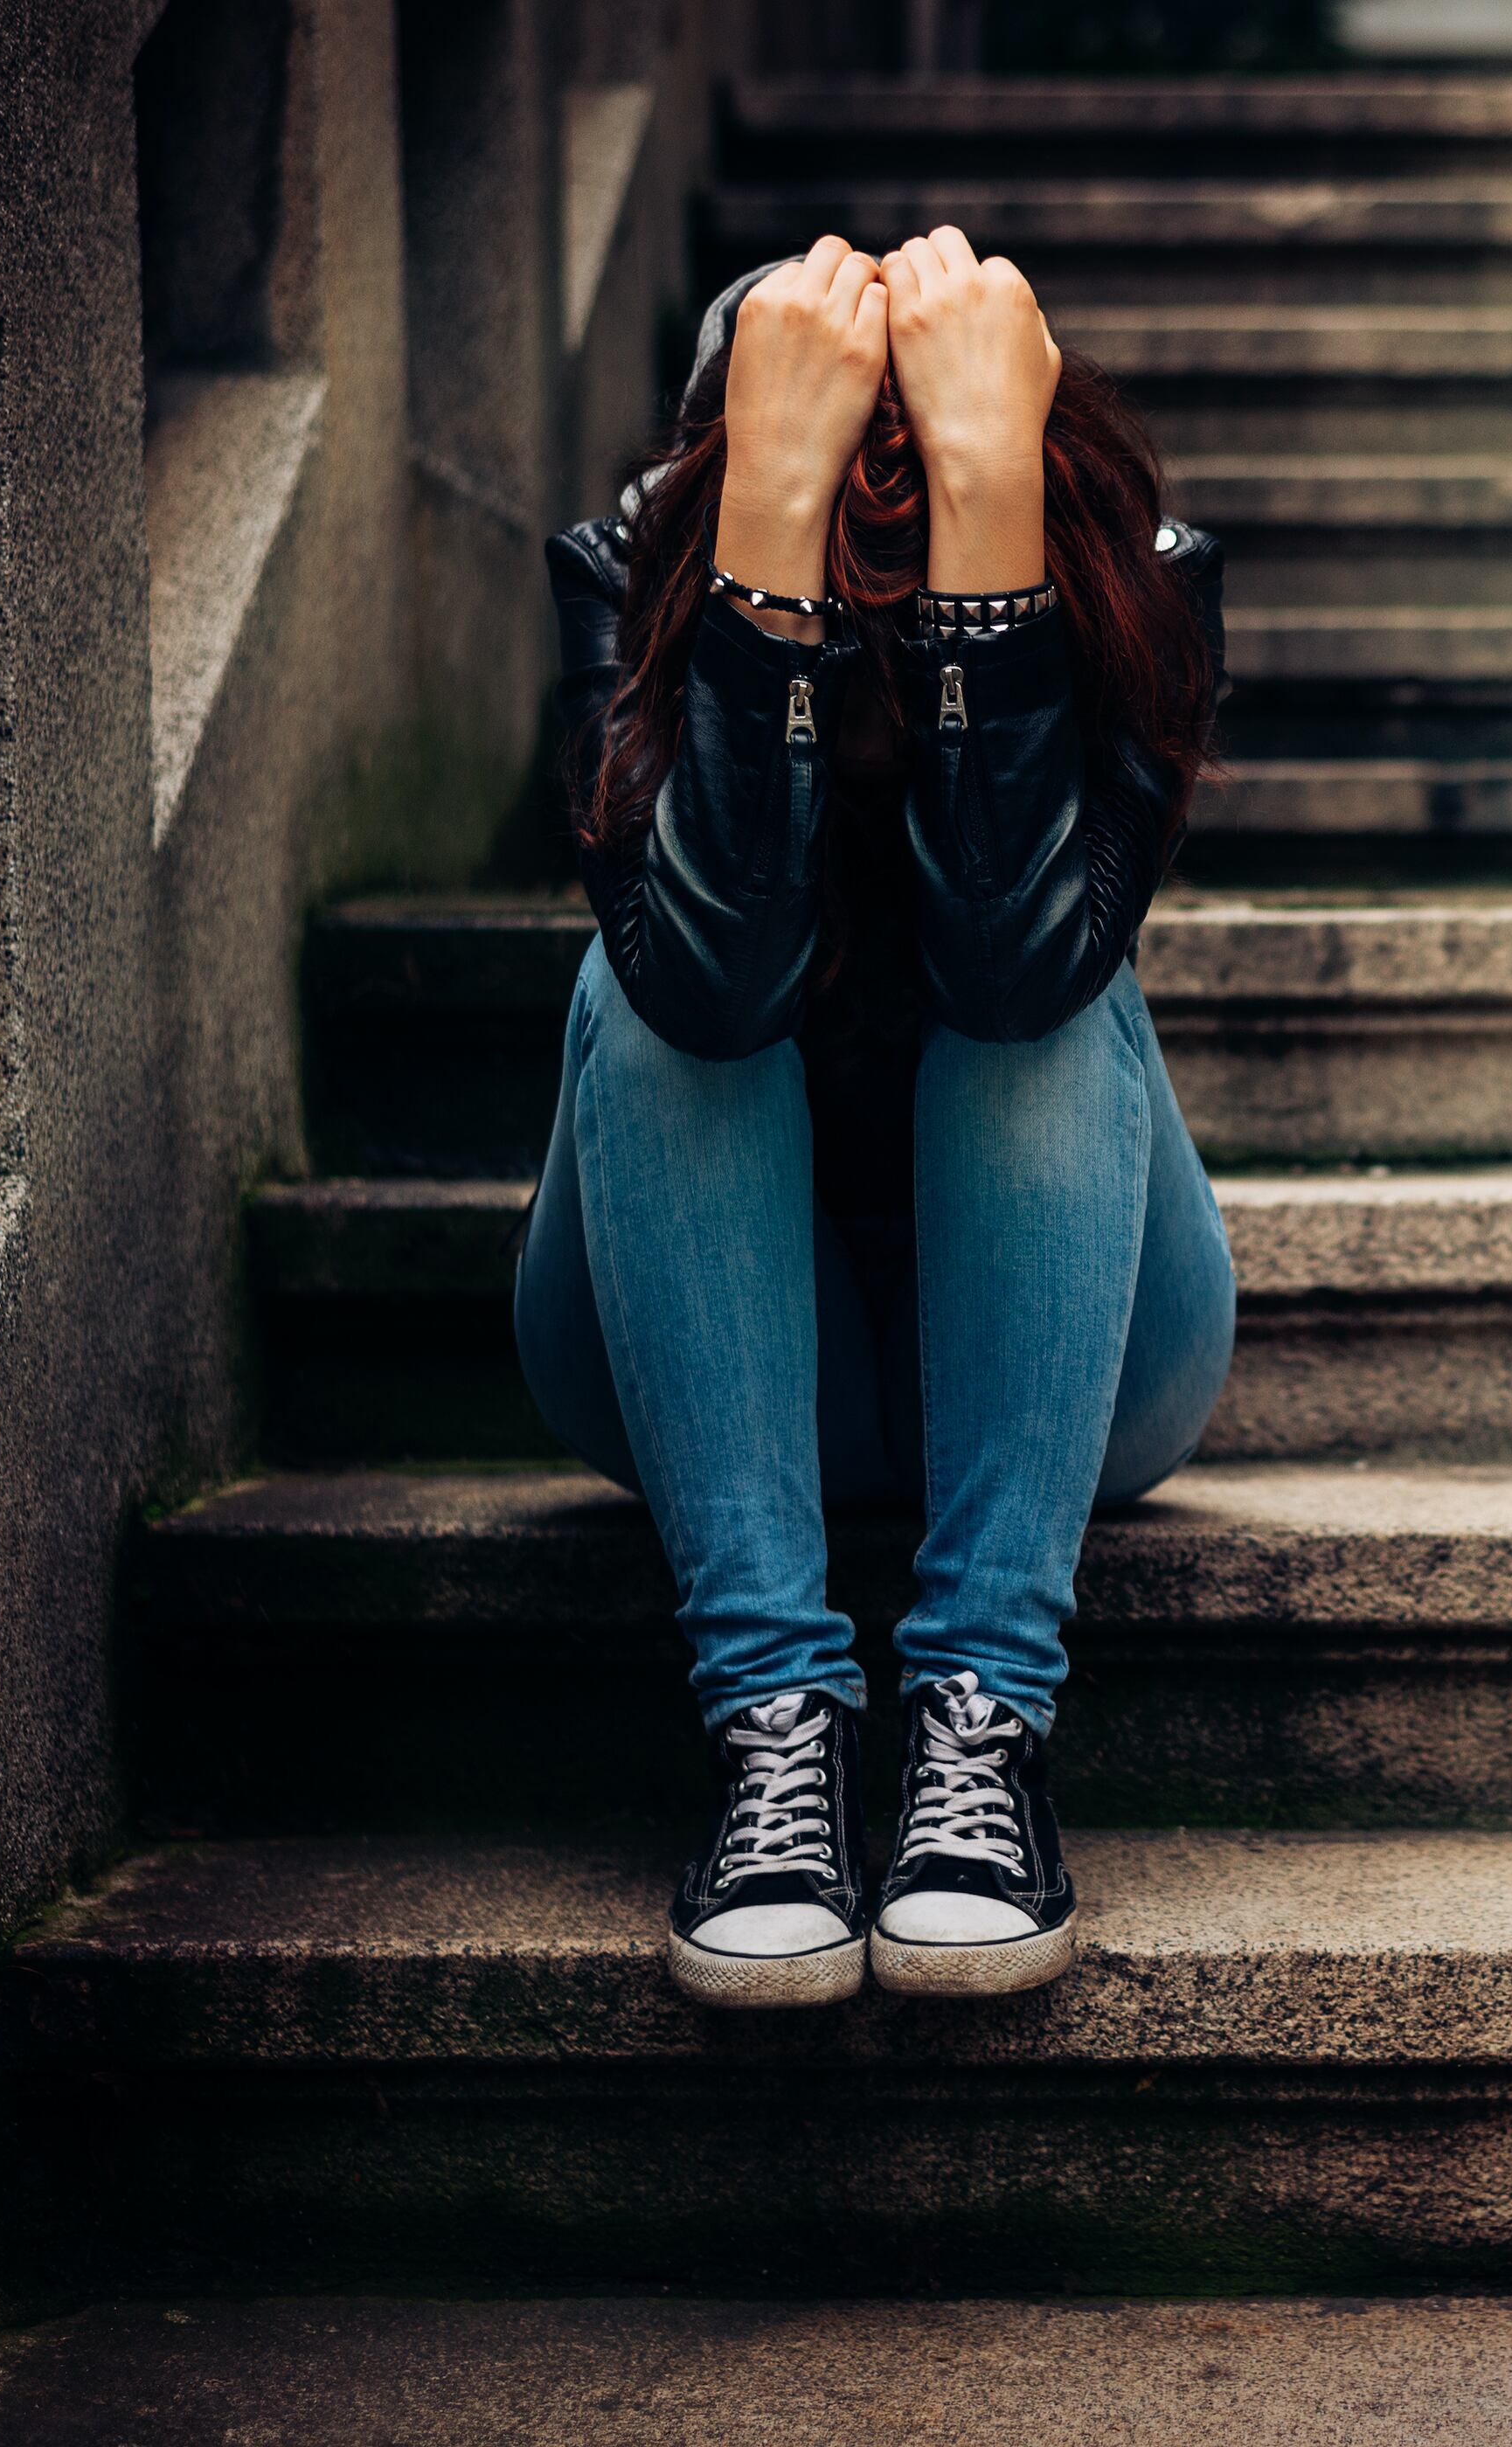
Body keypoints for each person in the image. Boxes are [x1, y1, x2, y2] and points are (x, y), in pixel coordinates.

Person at [513, 229, 1233, 2009]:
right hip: (703, 1363)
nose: (880, 532)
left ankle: (981, 1726)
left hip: (1088, 1358)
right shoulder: (629, 580)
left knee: (1052, 988)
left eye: (927, 477)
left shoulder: (1130, 582)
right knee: (653, 991)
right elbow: (710, 980)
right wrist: (761, 557)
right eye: (848, 483)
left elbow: (1013, 965)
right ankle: (778, 1729)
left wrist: (996, 551)